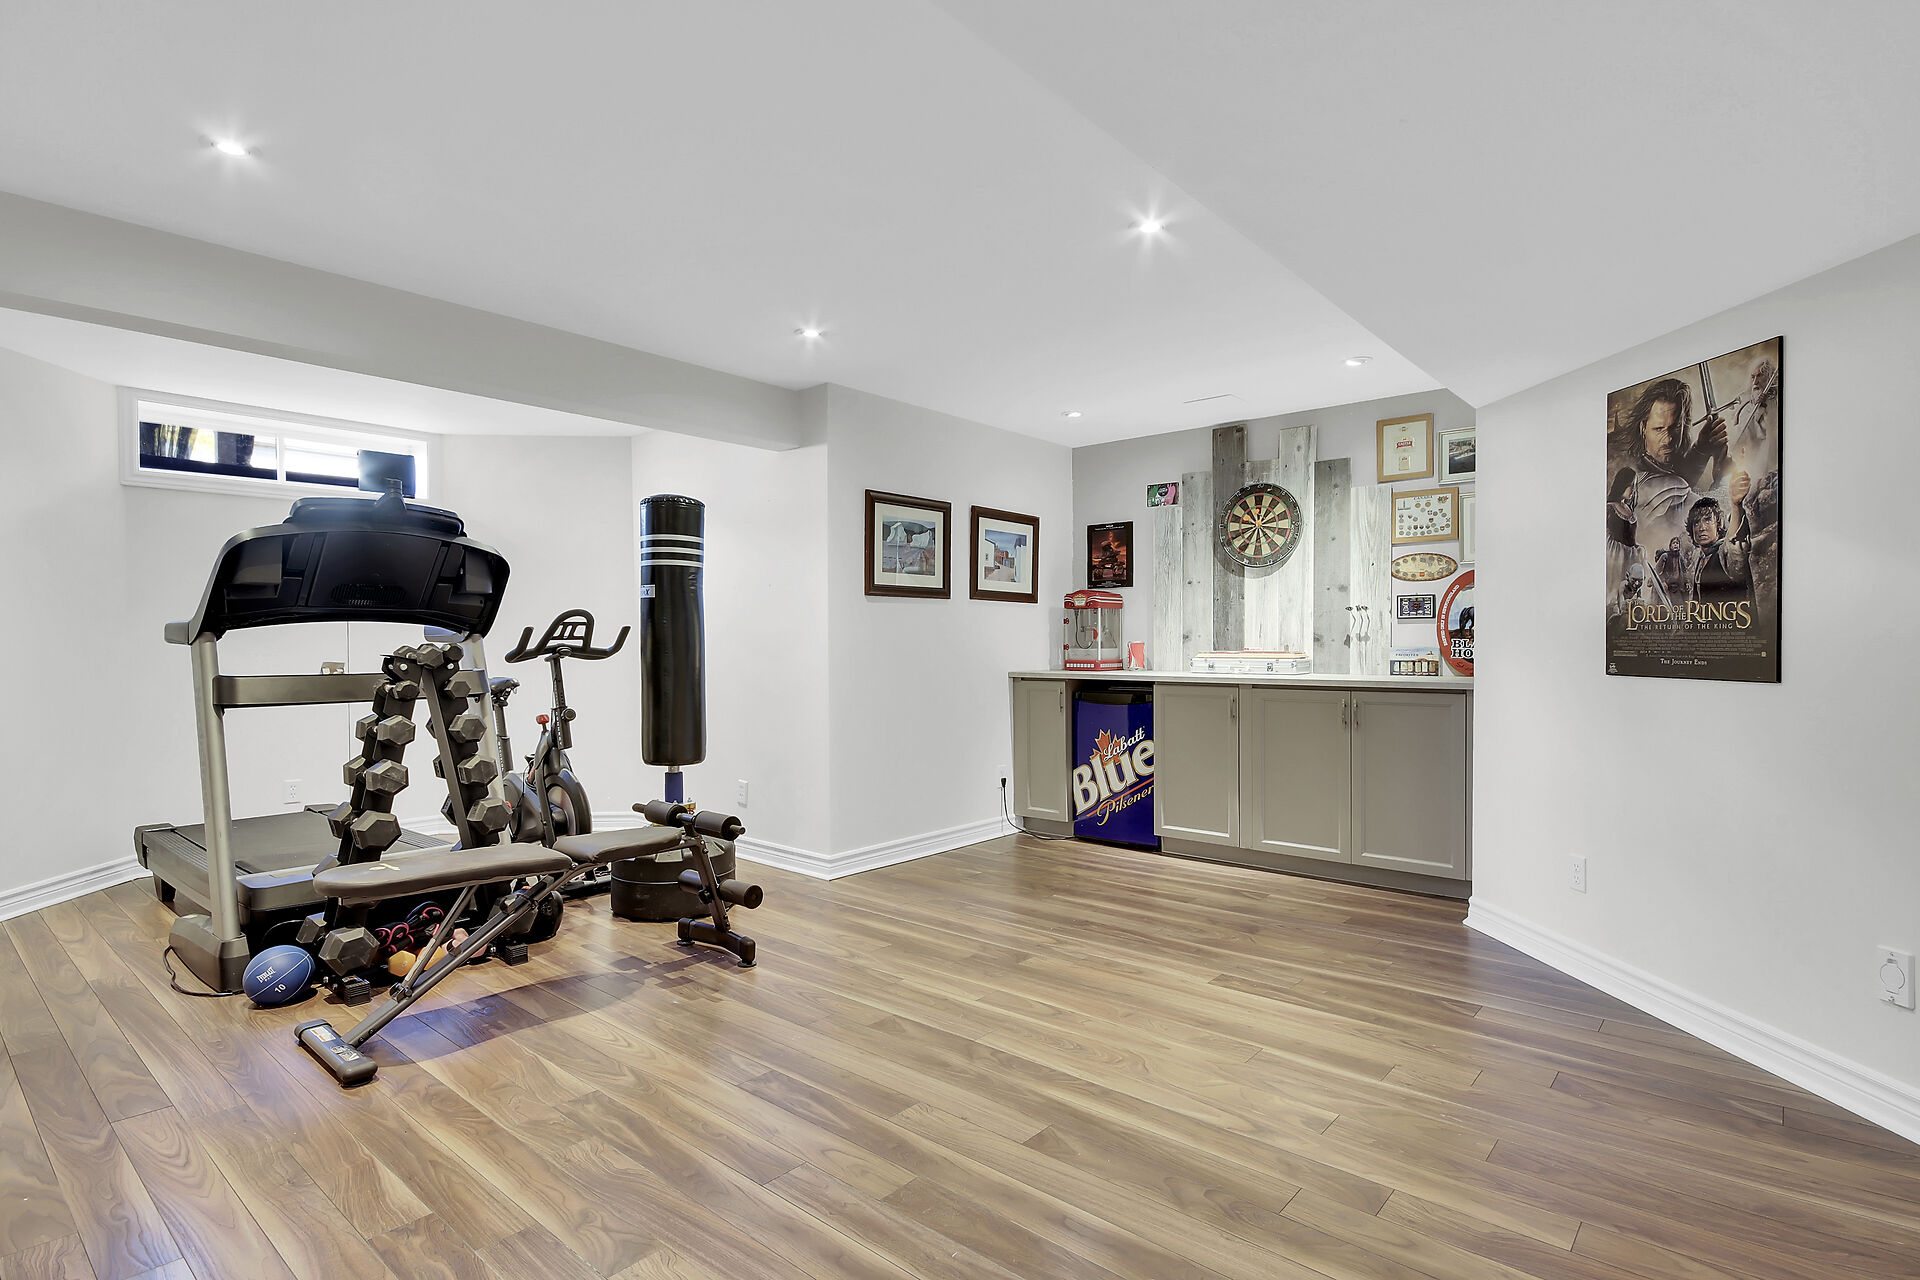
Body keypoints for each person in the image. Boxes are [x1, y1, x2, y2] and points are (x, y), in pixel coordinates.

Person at [1686, 471, 1753, 606]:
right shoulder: (1698, 558)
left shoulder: (1724, 553)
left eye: (1707, 520)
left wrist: (1736, 506)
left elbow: (1734, 544)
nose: (1701, 527)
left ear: (1719, 524)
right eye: (1696, 522)